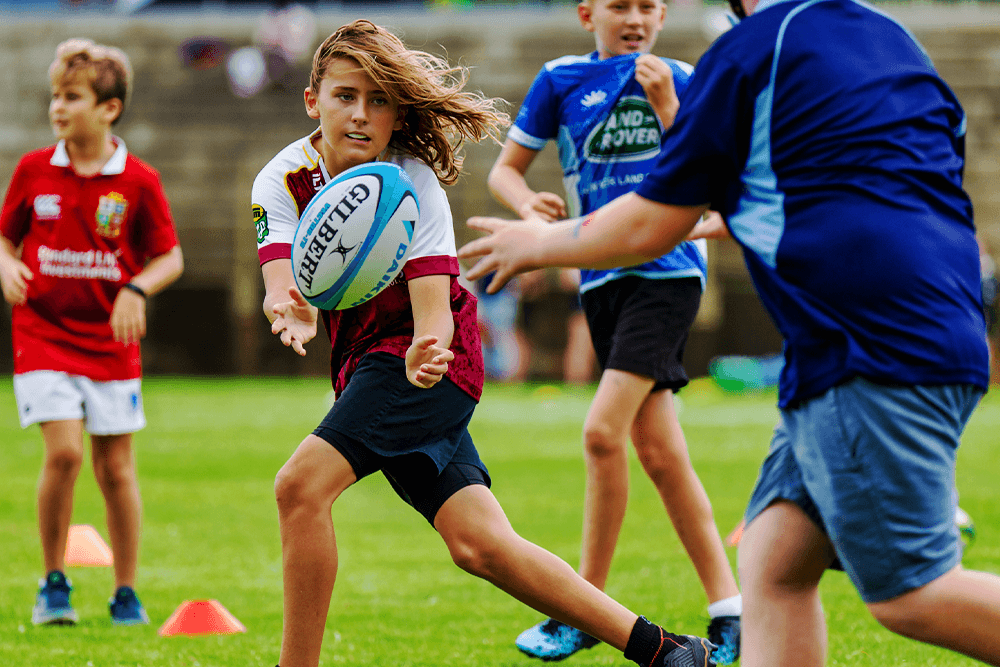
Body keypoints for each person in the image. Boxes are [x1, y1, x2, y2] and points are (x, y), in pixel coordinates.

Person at [460, 0, 1000, 662]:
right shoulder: (888, 35)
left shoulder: (750, 53)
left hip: (867, 343)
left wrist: (540, 242)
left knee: (913, 594)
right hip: (925, 323)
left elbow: (652, 223)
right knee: (775, 559)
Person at [252, 19, 717, 667]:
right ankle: (666, 648)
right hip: (370, 363)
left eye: (379, 100)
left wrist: (427, 350)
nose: (361, 115)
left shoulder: (412, 183)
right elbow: (282, 269)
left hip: (430, 360)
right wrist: (288, 304)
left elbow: (434, 311)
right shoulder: (282, 177)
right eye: (345, 96)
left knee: (299, 487)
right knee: (480, 545)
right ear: (313, 101)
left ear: (396, 114)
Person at [485, 0, 741, 661]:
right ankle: (731, 609)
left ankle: (584, 608)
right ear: (587, 12)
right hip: (600, 280)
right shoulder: (560, 80)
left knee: (602, 432)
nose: (635, 18)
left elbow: (714, 179)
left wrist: (666, 109)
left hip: (668, 274)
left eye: (648, 6)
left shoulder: (682, 79)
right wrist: (529, 209)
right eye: (620, 5)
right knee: (659, 451)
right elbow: (504, 170)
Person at [0, 38, 184, 627]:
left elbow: (170, 258)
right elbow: (4, 237)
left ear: (109, 109)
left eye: (72, 96)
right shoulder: (32, 170)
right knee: (64, 453)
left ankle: (124, 591)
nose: (59, 106)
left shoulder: (138, 181)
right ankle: (54, 582)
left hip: (110, 345)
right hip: (43, 334)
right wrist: (5, 262)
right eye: (56, 95)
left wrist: (136, 290)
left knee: (116, 469)